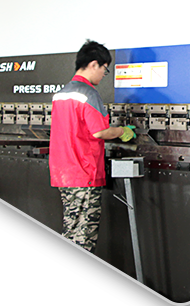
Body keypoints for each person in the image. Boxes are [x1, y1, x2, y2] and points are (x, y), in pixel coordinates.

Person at [49, 40, 136, 253]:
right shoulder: (88, 93)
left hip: (64, 172)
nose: (103, 75)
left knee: (71, 230)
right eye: (105, 69)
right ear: (94, 64)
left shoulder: (62, 93)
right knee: (83, 237)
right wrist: (122, 131)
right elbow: (99, 132)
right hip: (83, 172)